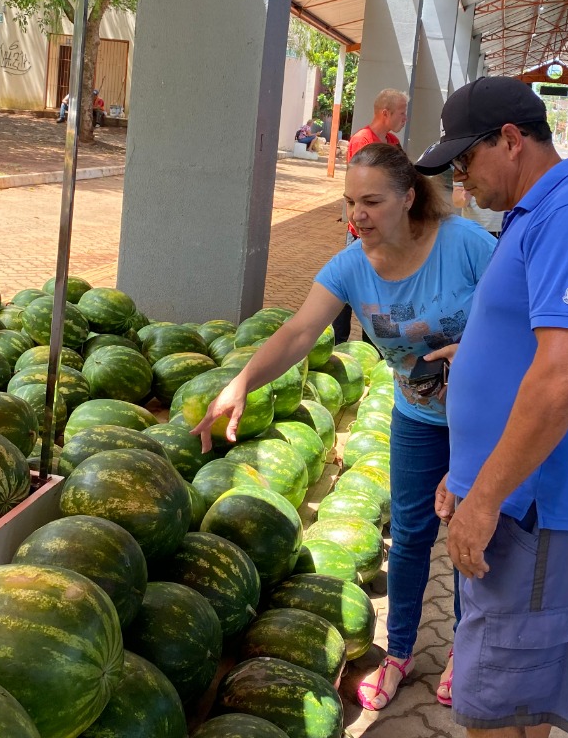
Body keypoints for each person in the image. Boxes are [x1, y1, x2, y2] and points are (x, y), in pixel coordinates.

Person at [194, 142, 496, 712]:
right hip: (417, 418)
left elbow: (526, 311)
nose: (357, 215)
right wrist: (240, 384)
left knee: (467, 535)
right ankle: (400, 654)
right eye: (350, 202)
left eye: (372, 201)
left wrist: (480, 348)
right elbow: (299, 333)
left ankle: (466, 651)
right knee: (408, 538)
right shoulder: (351, 266)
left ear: (408, 197)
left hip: (481, 423)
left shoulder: (467, 246)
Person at [414, 75, 568, 738]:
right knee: (505, 703)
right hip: (510, 501)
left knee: (499, 714)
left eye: (465, 161)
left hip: (531, 513)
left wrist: (484, 498)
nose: (462, 181)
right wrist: (467, 472)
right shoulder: (537, 215)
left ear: (510, 141)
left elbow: (564, 376)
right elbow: (523, 353)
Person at [332, 88, 410, 342]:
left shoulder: (393, 143)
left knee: (378, 293)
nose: (404, 118)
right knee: (348, 285)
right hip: (362, 235)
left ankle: (375, 346)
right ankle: (337, 340)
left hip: (386, 234)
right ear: (385, 113)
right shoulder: (362, 140)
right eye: (402, 113)